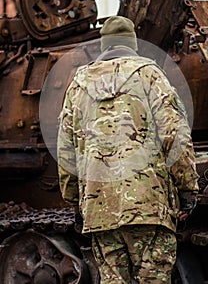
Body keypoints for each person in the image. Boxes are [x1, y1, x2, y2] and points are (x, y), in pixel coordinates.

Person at [57, 16, 199, 283]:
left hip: (99, 211)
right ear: (132, 43)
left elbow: (66, 151)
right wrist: (188, 190)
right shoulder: (150, 75)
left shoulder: (78, 85)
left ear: (105, 46)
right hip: (149, 207)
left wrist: (76, 201)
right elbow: (175, 135)